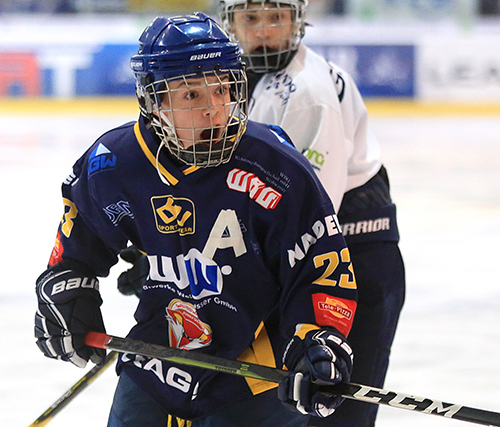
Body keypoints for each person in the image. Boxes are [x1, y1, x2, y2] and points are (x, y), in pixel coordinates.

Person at [34, 13, 359, 427]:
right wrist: (67, 288)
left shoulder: (276, 168)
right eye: (191, 96)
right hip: (156, 362)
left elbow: (321, 266)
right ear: (154, 101)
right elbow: (79, 239)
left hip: (254, 373)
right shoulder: (113, 165)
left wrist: (318, 337)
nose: (215, 111)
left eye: (223, 90)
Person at [217, 1, 406, 426]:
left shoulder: (307, 95)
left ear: (297, 22)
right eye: (250, 18)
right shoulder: (243, 77)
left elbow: (315, 211)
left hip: (349, 263)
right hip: (305, 259)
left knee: (331, 409)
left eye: (275, 18)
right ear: (230, 22)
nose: (264, 30)